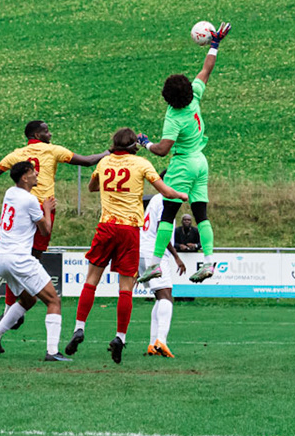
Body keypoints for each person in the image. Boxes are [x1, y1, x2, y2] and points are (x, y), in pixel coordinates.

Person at [69, 128, 187, 362]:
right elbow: (164, 190)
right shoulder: (142, 164)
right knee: (126, 287)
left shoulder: (104, 163)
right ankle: (120, 337)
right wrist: (181, 195)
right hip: (129, 230)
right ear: (134, 145)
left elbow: (92, 187)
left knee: (91, 280)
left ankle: (79, 327)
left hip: (106, 226)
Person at [0, 121, 107, 312]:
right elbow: (87, 161)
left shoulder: (17, 154)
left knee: (15, 254)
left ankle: (10, 308)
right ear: (36, 134)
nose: (50, 134)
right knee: (33, 259)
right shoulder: (53, 150)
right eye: (46, 131)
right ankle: (29, 302)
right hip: (43, 208)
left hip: (19, 206)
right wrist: (109, 152)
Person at [140, 22, 233, 284]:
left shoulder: (174, 117)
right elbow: (206, 69)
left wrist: (145, 143)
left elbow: (162, 150)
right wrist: (215, 44)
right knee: (201, 214)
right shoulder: (194, 97)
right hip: (201, 162)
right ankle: (209, 263)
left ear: (168, 98)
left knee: (168, 214)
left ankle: (155, 265)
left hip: (182, 164)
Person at [0, 159, 69, 361]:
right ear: (24, 177)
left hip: (2, 258)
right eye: (33, 171)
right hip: (19, 258)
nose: (36, 173)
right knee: (54, 301)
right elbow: (45, 231)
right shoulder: (29, 201)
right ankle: (52, 352)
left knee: (28, 299)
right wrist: (47, 208)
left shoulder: (10, 193)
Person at [141, 192, 192, 358]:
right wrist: (176, 256)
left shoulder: (156, 200)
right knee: (166, 297)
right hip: (154, 253)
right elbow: (160, 231)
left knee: (160, 297)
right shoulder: (164, 200)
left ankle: (153, 343)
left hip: (146, 251)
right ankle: (160, 341)